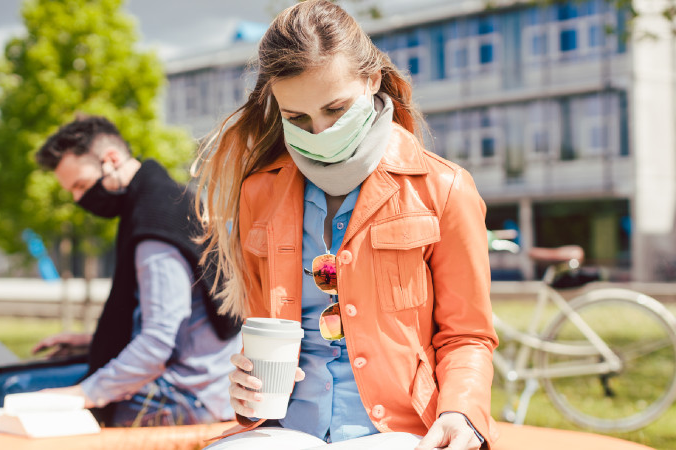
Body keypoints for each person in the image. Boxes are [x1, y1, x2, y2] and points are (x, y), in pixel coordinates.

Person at [192, 1, 499, 449]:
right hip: (285, 431)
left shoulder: (445, 187)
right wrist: (245, 387)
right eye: (297, 118)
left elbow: (468, 335)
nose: (319, 134)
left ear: (372, 79)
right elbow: (264, 335)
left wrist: (461, 413)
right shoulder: (259, 192)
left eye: (335, 109)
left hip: (401, 431)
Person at [0, 115, 242, 427]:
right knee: (19, 384)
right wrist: (92, 341)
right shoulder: (166, 198)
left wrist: (82, 395)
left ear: (111, 159)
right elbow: (181, 324)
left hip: (183, 396)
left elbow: (158, 344)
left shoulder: (154, 229)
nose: (79, 199)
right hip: (198, 383)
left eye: (80, 185)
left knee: (11, 390)